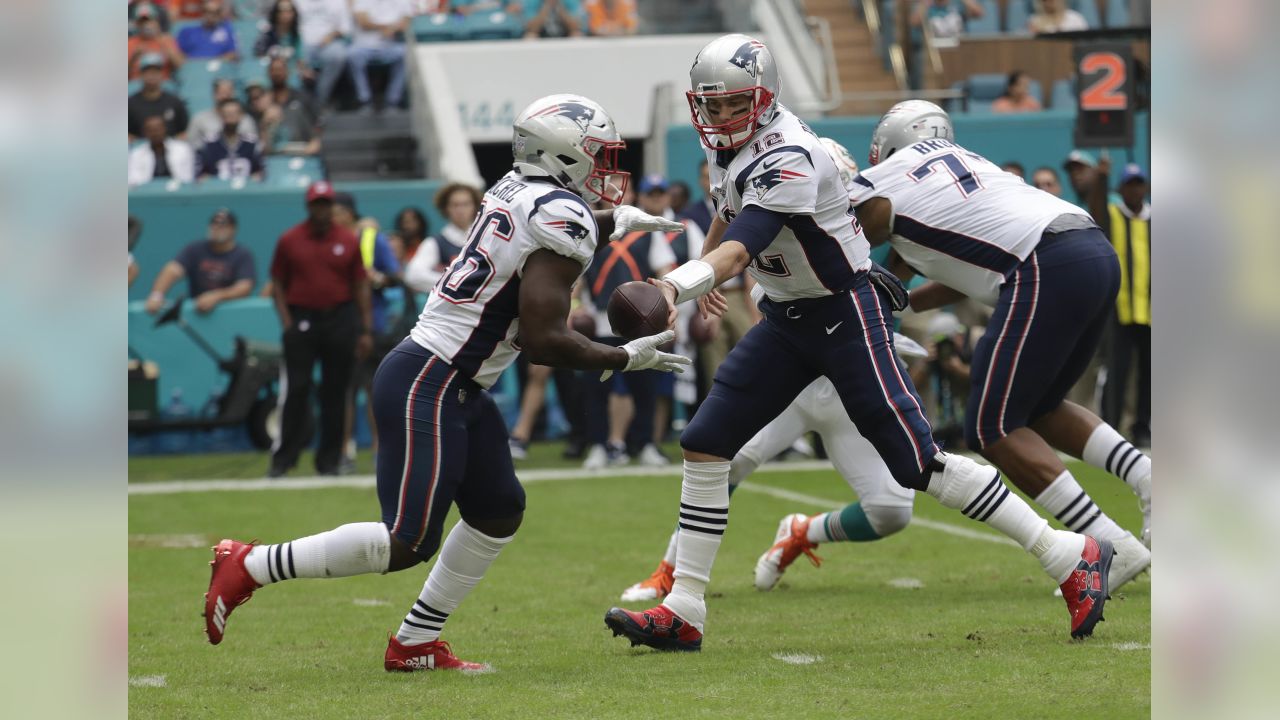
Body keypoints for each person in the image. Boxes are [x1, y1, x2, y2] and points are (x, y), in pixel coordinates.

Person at [604, 35, 1115, 653]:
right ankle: (684, 607)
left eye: (731, 104)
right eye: (708, 106)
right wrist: (705, 263)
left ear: (764, 99)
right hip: (790, 319)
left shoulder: (790, 153)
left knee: (915, 461)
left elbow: (746, 242)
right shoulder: (734, 148)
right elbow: (727, 213)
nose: (717, 119)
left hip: (845, 312)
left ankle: (1068, 553)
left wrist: (674, 285)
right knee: (705, 444)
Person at [202, 94, 689, 672]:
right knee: (407, 540)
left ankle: (414, 643)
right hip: (431, 380)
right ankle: (251, 564)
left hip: (449, 380)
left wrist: (611, 223)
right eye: (597, 155)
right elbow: (543, 339)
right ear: (563, 156)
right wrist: (623, 356)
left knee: (498, 510)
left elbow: (532, 249)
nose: (607, 169)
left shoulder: (516, 188)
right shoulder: (561, 215)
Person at [847, 101, 1152, 563]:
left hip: (1042, 264)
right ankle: (1148, 477)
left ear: (888, 147)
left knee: (991, 427)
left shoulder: (890, 178)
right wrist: (901, 300)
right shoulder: (970, 169)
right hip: (1091, 250)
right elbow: (949, 274)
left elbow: (842, 236)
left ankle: (1112, 545)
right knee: (1039, 408)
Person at [620, 293, 929, 602]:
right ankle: (669, 572)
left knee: (892, 510)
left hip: (850, 381)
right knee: (725, 459)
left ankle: (803, 532)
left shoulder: (878, 249)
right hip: (793, 380)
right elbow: (750, 270)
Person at [264, 181, 373, 478]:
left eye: (327, 204)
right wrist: (287, 323)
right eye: (317, 204)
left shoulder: (348, 241)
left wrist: (364, 329)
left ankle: (329, 461)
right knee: (296, 390)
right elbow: (277, 284)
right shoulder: (290, 240)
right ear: (309, 206)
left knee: (335, 393)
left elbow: (360, 284)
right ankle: (283, 459)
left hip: (339, 319)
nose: (322, 210)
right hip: (303, 320)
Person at [581, 173, 680, 469]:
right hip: (598, 319)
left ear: (633, 194)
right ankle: (599, 445)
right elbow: (574, 276)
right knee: (597, 386)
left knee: (645, 385)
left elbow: (666, 270)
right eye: (606, 188)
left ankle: (646, 443)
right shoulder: (587, 230)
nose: (613, 193)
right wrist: (573, 308)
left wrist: (667, 302)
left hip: (641, 321)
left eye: (621, 187)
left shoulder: (648, 229)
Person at [331, 192, 402, 470]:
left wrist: (378, 278)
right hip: (340, 323)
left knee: (375, 388)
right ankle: (345, 450)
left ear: (348, 213)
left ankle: (378, 449)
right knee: (344, 390)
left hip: (374, 325)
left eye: (336, 211)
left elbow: (395, 276)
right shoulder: (330, 241)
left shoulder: (371, 238)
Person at [1089, 160, 1151, 448]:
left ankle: (1142, 427)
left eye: (1139, 184)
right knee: (1117, 369)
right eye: (1129, 185)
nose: (1135, 190)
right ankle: (1112, 429)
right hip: (1119, 309)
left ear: (1146, 188)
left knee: (1150, 374)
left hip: (1151, 310)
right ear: (1121, 188)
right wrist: (1101, 180)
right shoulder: (1113, 216)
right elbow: (1097, 208)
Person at [143, 208, 256, 314]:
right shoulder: (195, 249)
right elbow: (172, 270)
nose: (217, 228)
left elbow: (244, 287)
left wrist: (217, 296)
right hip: (197, 312)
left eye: (223, 225)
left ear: (233, 229)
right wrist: (156, 295)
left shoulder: (242, 255)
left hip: (229, 313)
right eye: (214, 224)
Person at [403, 183, 482, 292]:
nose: (460, 210)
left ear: (475, 207)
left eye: (466, 204)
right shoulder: (434, 242)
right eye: (455, 205)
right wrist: (456, 283)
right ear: (446, 208)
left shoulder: (484, 239)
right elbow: (413, 276)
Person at [349, 0, 413, 115]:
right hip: (364, 46)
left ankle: (393, 101)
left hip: (391, 45)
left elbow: (406, 22)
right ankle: (364, 100)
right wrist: (385, 26)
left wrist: (391, 29)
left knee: (405, 53)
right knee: (353, 54)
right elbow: (363, 22)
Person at [296, 0, 353, 107]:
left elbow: (346, 28)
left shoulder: (338, 2)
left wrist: (331, 35)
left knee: (338, 56)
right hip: (301, 43)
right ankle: (298, 100)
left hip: (329, 43)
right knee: (296, 55)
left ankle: (320, 99)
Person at [264, 56, 324, 155]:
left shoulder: (303, 97)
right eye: (273, 70)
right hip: (273, 153)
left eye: (280, 69)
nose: (277, 73)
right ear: (268, 73)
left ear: (288, 72)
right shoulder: (263, 101)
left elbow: (318, 123)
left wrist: (316, 141)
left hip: (302, 149)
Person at [196, 99, 266, 181]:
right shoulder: (210, 143)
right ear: (220, 115)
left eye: (234, 113)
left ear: (241, 115)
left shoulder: (251, 143)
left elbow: (259, 172)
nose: (231, 116)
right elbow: (202, 175)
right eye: (227, 113)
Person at [128, 53, 190, 140]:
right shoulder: (130, 103)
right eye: (148, 72)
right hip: (141, 149)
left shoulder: (174, 102)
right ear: (141, 75)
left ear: (162, 74)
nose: (152, 75)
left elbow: (183, 132)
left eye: (155, 71)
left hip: (170, 148)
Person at [128, 115, 196, 186]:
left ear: (165, 129)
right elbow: (134, 180)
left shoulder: (183, 149)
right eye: (151, 130)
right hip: (148, 192)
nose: (155, 133)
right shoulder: (136, 153)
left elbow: (188, 177)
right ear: (145, 132)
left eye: (158, 129)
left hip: (177, 191)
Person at [190, 79, 259, 144]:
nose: (225, 97)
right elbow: (193, 145)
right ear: (214, 94)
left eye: (229, 93)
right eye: (222, 93)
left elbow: (253, 145)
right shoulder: (200, 119)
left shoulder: (246, 120)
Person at [128, 6, 184, 79]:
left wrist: (165, 46)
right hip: (137, 83)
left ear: (157, 22)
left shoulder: (167, 40)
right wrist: (134, 56)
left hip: (163, 84)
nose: (146, 24)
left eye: (150, 21)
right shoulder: (130, 43)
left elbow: (180, 66)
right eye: (142, 22)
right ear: (137, 24)